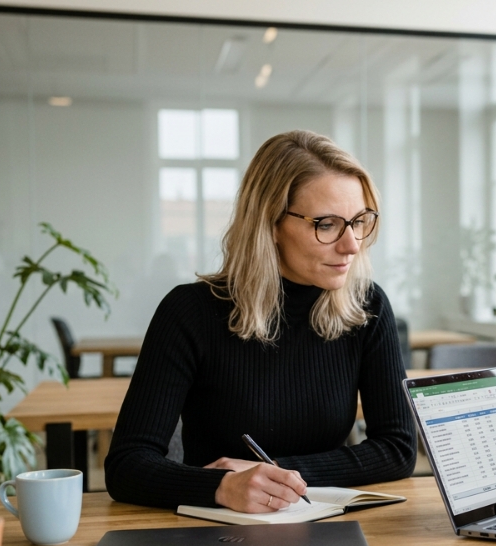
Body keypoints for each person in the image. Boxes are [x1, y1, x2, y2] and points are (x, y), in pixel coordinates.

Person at [106, 130, 416, 513]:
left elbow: (399, 448)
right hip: (218, 532)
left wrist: (277, 473)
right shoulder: (189, 312)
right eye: (327, 224)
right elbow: (126, 465)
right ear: (270, 224)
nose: (352, 244)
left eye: (359, 221)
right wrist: (222, 487)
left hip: (328, 522)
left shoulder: (366, 305)